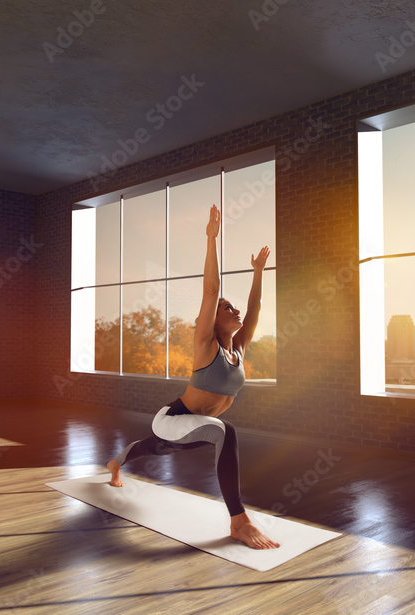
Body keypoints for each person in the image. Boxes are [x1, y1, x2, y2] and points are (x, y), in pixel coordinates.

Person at [107, 204, 279, 550]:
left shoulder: (238, 350)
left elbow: (256, 308)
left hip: (194, 425)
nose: (235, 310)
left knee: (155, 450)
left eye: (234, 307)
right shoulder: (205, 343)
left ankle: (115, 463)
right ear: (213, 320)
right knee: (222, 431)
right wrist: (211, 239)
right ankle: (239, 521)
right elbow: (210, 291)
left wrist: (258, 271)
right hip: (175, 418)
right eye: (227, 307)